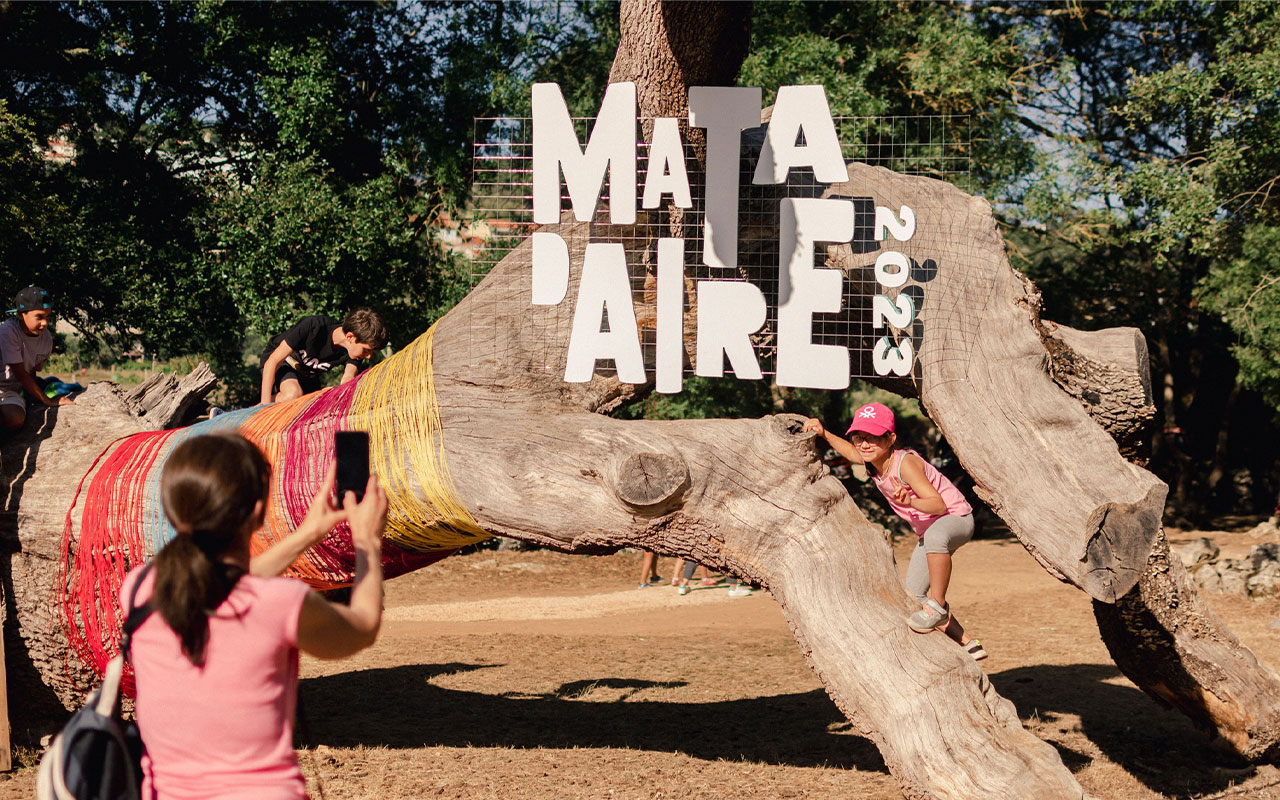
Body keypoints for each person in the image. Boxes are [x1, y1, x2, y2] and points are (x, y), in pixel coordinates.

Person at [119, 432, 388, 799]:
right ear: (259, 510)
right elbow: (362, 626)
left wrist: (308, 533)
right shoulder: (280, 603)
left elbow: (219, 584)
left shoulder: (138, 589)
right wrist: (367, 542)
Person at [803, 402, 986, 661]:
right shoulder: (873, 462)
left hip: (955, 518)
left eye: (873, 438)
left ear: (891, 439)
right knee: (911, 595)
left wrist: (909, 501)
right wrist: (824, 433)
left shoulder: (905, 464)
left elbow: (937, 504)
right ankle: (969, 644)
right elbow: (854, 454)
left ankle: (938, 604)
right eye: (859, 437)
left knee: (935, 542)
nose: (864, 444)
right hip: (932, 532)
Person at [259, 308, 389, 405]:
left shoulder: (354, 354)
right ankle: (255, 410)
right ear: (350, 337)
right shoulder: (313, 326)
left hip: (307, 374)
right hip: (281, 361)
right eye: (366, 350)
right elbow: (272, 361)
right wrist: (264, 408)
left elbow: (347, 379)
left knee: (314, 403)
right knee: (293, 393)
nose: (369, 357)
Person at [0, 286, 73, 431]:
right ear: (21, 315)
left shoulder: (46, 338)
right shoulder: (8, 331)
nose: (45, 323)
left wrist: (33, 399)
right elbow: (20, 372)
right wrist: (47, 400)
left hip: (10, 391)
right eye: (39, 317)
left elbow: (31, 371)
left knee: (15, 418)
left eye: (48, 317)